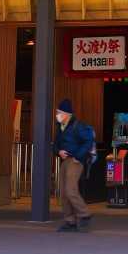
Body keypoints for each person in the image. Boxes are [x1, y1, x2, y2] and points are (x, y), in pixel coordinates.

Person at [53, 98, 96, 233]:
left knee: (70, 189)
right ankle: (70, 221)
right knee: (63, 193)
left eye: (59, 112)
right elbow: (55, 144)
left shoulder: (78, 126)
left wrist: (78, 156)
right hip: (65, 161)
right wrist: (58, 152)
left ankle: (84, 214)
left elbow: (88, 141)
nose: (57, 115)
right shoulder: (60, 127)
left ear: (67, 114)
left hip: (75, 161)